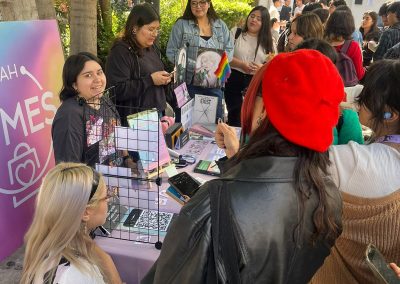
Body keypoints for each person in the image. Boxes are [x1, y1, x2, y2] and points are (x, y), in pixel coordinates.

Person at [142, 50, 343, 283]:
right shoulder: (329, 196)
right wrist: (235, 160)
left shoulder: (212, 207)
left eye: (251, 93)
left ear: (266, 109)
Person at [310, 59, 400, 283]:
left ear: (390, 114)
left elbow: (285, 167)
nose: (360, 101)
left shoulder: (354, 162)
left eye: (368, 96)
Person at [21, 163, 121, 284]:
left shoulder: (42, 248)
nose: (109, 200)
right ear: (85, 212)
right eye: (106, 197)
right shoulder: (80, 274)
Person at [52, 52, 123, 167]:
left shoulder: (105, 100)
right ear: (74, 84)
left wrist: (128, 160)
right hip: (90, 184)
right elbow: (69, 168)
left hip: (117, 180)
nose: (97, 79)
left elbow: (118, 137)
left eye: (99, 73)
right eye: (88, 75)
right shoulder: (69, 114)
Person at [166, 0, 233, 122]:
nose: (198, 6)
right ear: (189, 5)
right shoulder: (181, 25)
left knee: (213, 126)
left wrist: (216, 62)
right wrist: (195, 64)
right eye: (194, 3)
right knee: (186, 125)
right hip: (188, 85)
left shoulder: (220, 25)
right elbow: (171, 52)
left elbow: (229, 50)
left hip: (214, 84)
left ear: (209, 3)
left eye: (202, 2)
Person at [106, 3, 171, 126]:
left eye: (157, 29)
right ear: (135, 28)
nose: (155, 34)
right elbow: (117, 90)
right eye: (151, 29)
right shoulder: (120, 51)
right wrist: (150, 80)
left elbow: (155, 76)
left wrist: (165, 79)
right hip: (136, 120)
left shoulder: (150, 47)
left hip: (157, 114)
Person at [224, 6, 274, 126]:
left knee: (251, 116)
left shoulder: (268, 41)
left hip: (255, 82)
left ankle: (248, 143)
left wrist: (261, 69)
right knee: (234, 114)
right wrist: (241, 64)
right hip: (233, 79)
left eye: (259, 19)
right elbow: (225, 56)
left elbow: (272, 64)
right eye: (252, 16)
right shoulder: (236, 33)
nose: (254, 20)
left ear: (264, 23)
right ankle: (233, 141)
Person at [325, 10, 365, 81]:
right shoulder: (353, 46)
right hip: (345, 89)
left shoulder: (321, 43)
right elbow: (359, 75)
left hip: (324, 86)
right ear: (350, 26)